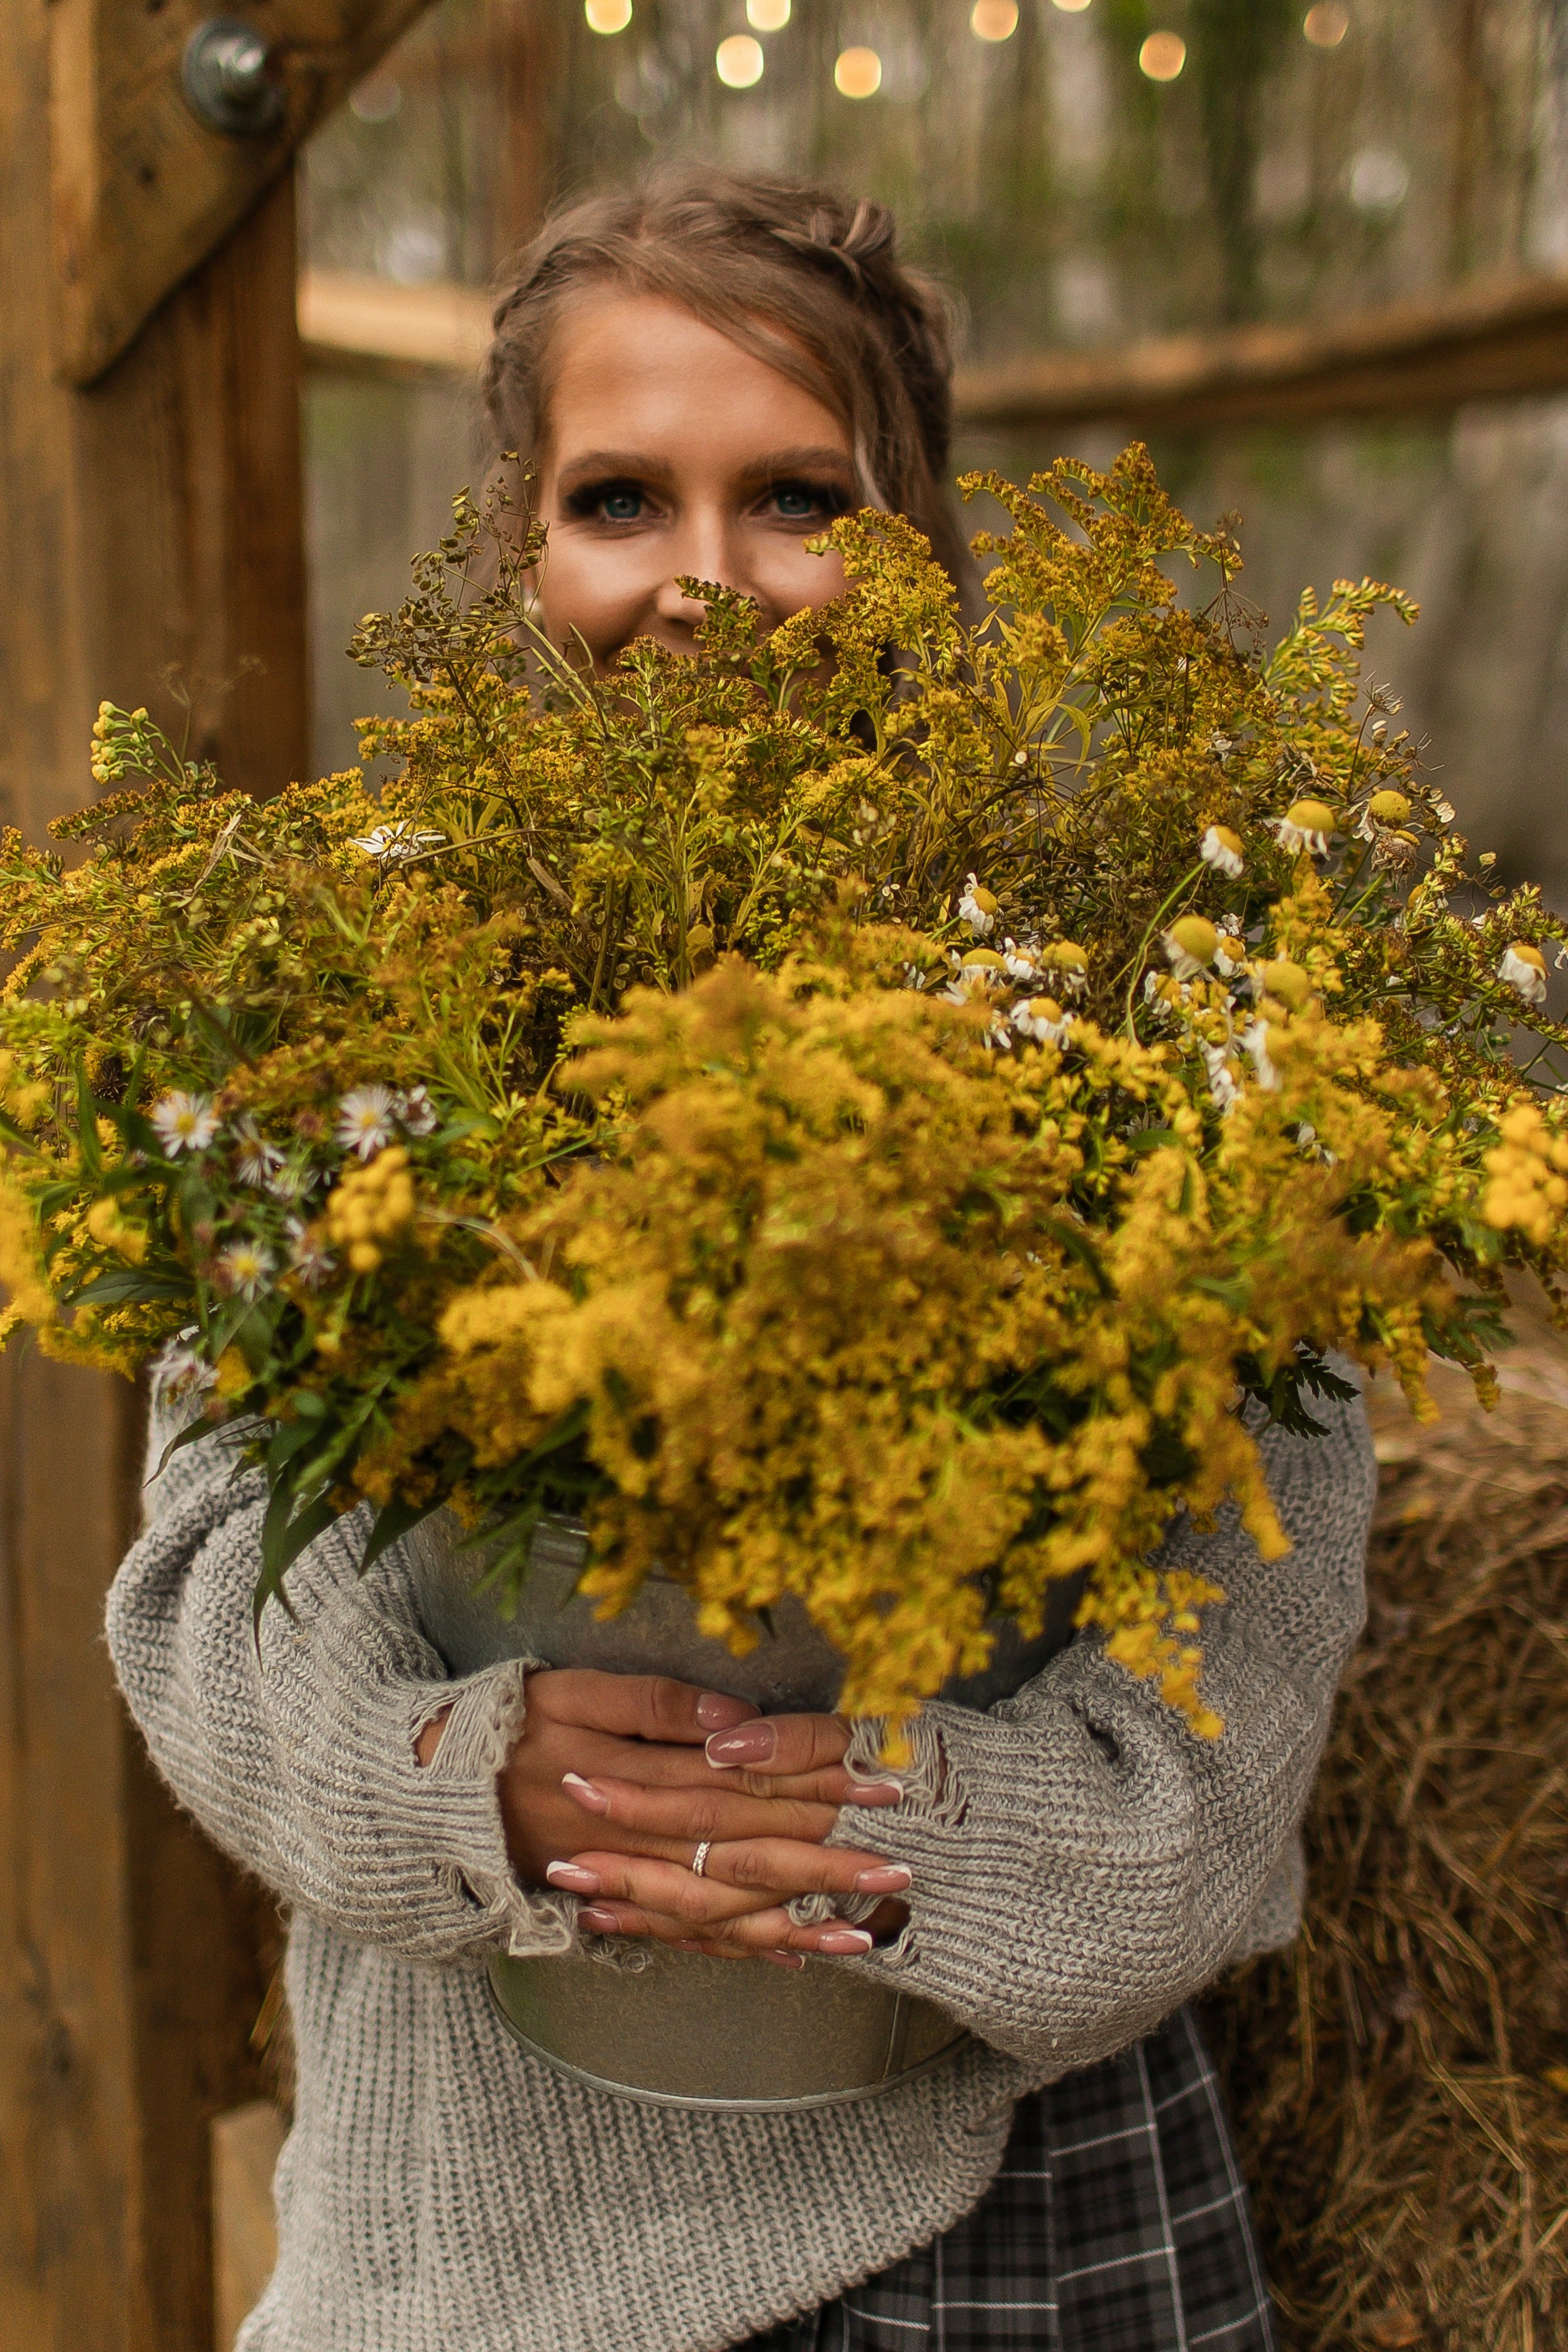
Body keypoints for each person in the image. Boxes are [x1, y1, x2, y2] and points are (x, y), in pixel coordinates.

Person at [105, 172, 1376, 2352]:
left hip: (1030, 2244)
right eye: (622, 497)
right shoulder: (341, 1002)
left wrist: (896, 1834)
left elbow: (1235, 1715)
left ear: (930, 560)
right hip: (471, 2249)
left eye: (800, 498)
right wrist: (468, 1778)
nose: (709, 585)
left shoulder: (1134, 1001)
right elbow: (213, 1590)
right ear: (517, 548)